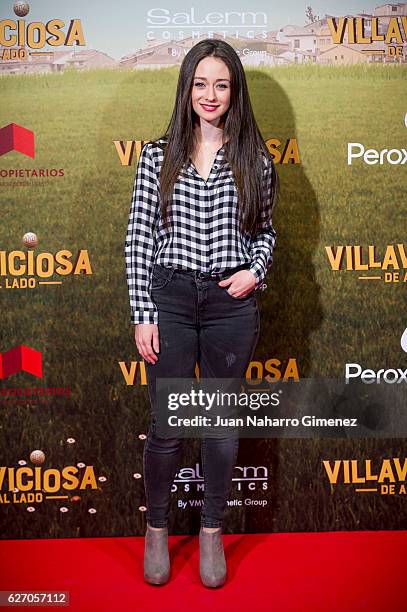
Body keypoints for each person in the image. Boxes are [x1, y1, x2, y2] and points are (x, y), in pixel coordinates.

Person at [125, 38, 279, 588]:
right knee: (167, 426)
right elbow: (140, 237)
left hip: (228, 306)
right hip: (169, 297)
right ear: (186, 88)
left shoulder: (255, 159)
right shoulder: (156, 154)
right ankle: (157, 529)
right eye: (200, 83)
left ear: (233, 93)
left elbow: (265, 232)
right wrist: (144, 313)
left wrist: (255, 270)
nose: (210, 95)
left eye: (221, 85)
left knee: (217, 426)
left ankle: (211, 530)